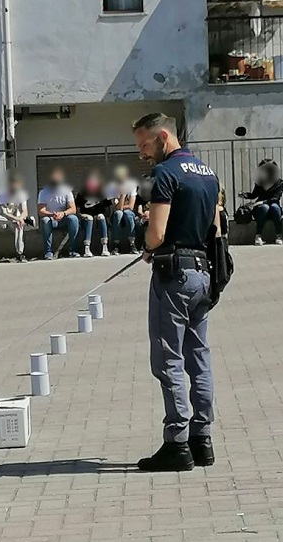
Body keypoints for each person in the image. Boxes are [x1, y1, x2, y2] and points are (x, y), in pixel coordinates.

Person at [133, 113, 219, 472]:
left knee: (168, 359)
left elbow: (156, 233)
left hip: (174, 276)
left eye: (144, 145)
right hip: (203, 273)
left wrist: (148, 243)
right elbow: (215, 227)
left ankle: (177, 444)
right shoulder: (208, 174)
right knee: (198, 357)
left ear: (163, 137)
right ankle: (203, 439)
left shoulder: (165, 175)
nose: (141, 154)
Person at [0, 172, 36, 262]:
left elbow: (25, 211)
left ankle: (20, 253)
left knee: (18, 225)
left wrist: (20, 218)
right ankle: (23, 221)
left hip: (14, 222)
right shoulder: (1, 194)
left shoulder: (22, 194)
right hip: (3, 222)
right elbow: (4, 212)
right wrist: (15, 219)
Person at [38, 167, 80, 260]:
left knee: (74, 219)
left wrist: (63, 213)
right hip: (51, 218)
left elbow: (73, 209)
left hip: (64, 218)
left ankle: (73, 250)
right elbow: (41, 211)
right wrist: (51, 214)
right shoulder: (43, 193)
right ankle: (48, 252)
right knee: (45, 221)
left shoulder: (67, 191)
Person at [239, 159, 283, 246]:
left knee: (275, 207)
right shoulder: (260, 182)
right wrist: (245, 195)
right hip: (261, 210)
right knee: (264, 207)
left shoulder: (279, 183)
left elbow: (275, 198)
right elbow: (254, 195)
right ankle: (258, 236)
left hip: (273, 209)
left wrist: (262, 202)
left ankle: (279, 235)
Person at [75, 170, 111, 257]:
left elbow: (108, 209)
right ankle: (86, 248)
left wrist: (105, 215)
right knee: (89, 218)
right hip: (86, 218)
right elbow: (77, 209)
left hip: (99, 217)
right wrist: (81, 215)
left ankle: (104, 247)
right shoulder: (82, 194)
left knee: (101, 217)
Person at [107, 165, 139, 255]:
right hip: (115, 214)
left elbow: (131, 206)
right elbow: (117, 208)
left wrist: (122, 205)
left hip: (128, 212)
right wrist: (123, 195)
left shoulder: (132, 185)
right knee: (118, 214)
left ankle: (132, 243)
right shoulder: (111, 186)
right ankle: (116, 244)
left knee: (128, 214)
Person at [134, 175, 152, 250]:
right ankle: (141, 244)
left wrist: (150, 215)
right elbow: (139, 211)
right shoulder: (140, 198)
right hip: (143, 217)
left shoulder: (156, 196)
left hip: (153, 216)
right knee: (140, 223)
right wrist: (144, 215)